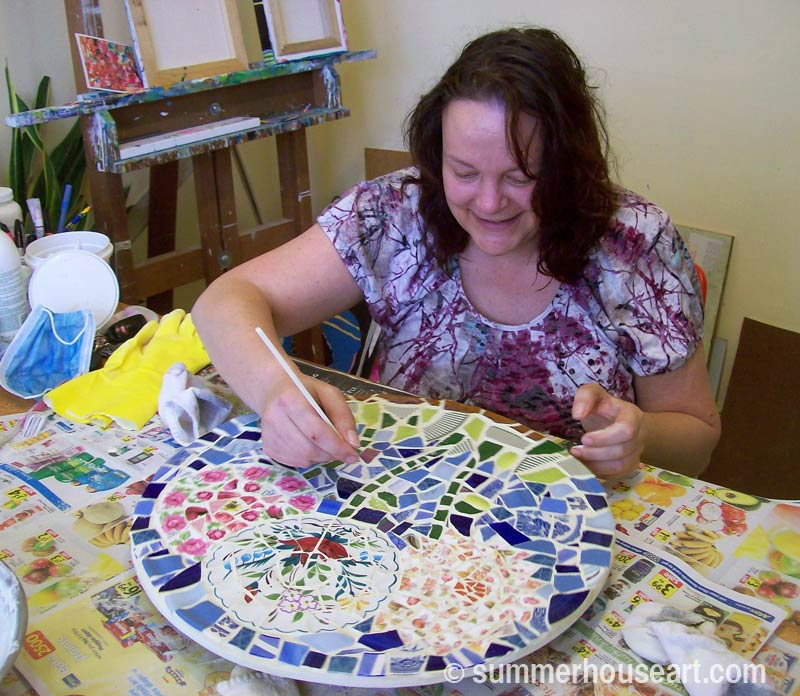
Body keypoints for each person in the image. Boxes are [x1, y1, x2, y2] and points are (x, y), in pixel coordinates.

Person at [192, 26, 720, 479]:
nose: (489, 203)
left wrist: (640, 436)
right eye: (464, 172)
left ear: (567, 164)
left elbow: (698, 437)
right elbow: (226, 299)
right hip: (403, 501)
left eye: (521, 177)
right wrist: (275, 391)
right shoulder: (395, 211)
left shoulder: (633, 243)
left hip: (568, 529)